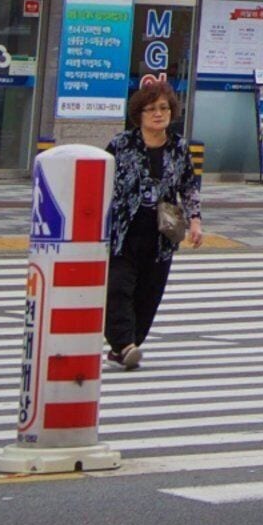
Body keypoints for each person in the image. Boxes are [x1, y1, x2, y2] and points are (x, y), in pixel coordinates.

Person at [104, 79, 204, 371]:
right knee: (118, 289)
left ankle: (127, 345)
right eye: (151, 109)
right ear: (139, 115)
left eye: (163, 108)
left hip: (161, 234)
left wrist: (195, 221)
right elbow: (102, 183)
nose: (158, 114)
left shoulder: (178, 148)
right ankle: (123, 344)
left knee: (149, 295)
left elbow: (189, 187)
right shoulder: (121, 145)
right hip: (123, 231)